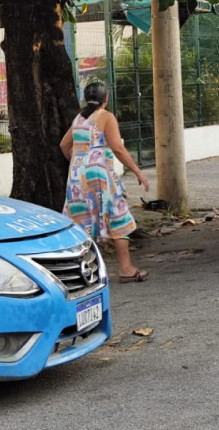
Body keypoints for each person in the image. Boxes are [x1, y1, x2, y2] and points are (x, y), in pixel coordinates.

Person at [60, 82, 151, 282]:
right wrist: (138, 172)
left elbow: (64, 145)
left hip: (76, 178)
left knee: (81, 221)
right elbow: (118, 148)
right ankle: (126, 269)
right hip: (100, 176)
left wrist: (79, 162)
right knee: (117, 217)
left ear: (86, 98)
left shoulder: (78, 119)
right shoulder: (106, 117)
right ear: (106, 99)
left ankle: (82, 274)